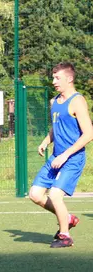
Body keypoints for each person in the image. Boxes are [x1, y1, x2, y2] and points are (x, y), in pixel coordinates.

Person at [28, 62, 93, 248]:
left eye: (57, 78)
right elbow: (57, 127)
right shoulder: (54, 102)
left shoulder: (77, 101)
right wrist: (46, 140)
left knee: (55, 194)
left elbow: (89, 134)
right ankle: (68, 218)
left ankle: (65, 236)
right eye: (53, 77)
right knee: (35, 194)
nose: (53, 81)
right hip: (55, 158)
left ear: (69, 79)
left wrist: (65, 155)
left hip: (72, 159)